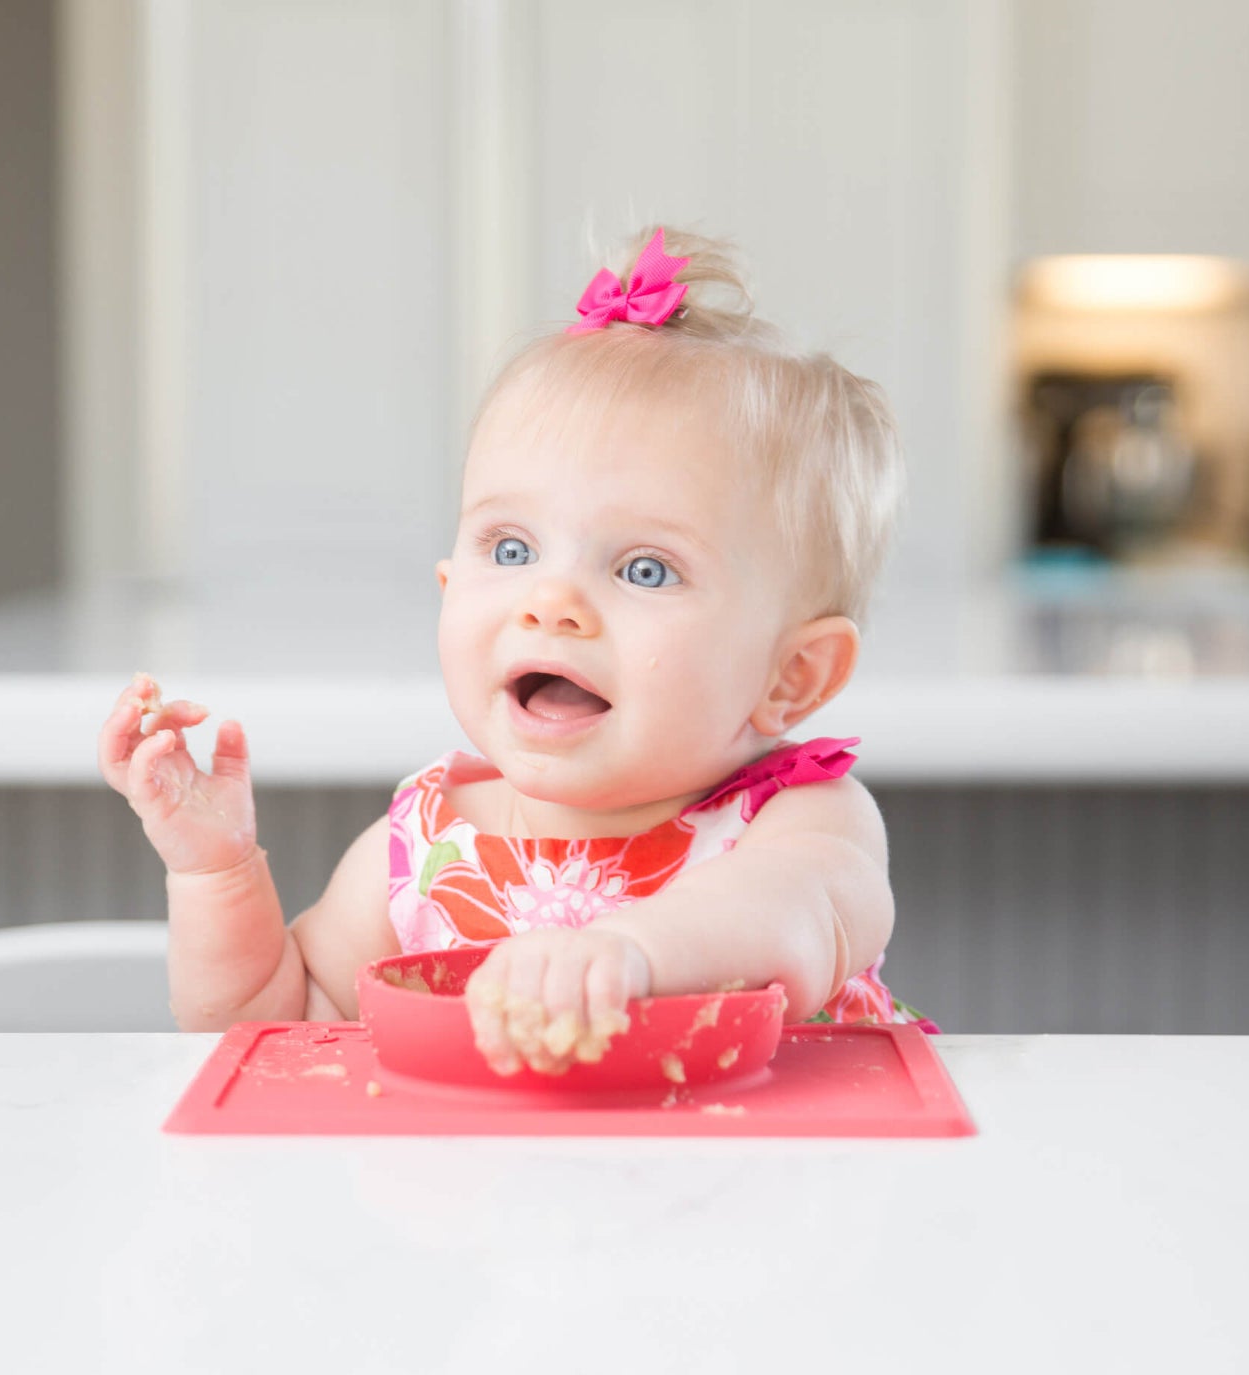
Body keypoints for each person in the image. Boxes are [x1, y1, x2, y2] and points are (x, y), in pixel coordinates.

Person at [97, 225, 931, 1075]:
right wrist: (219, 872)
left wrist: (631, 951)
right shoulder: (425, 846)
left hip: (779, 1157)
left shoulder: (801, 825)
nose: (550, 601)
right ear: (448, 588)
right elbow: (270, 1032)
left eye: (644, 569)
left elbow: (789, 919)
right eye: (510, 549)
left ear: (793, 676)